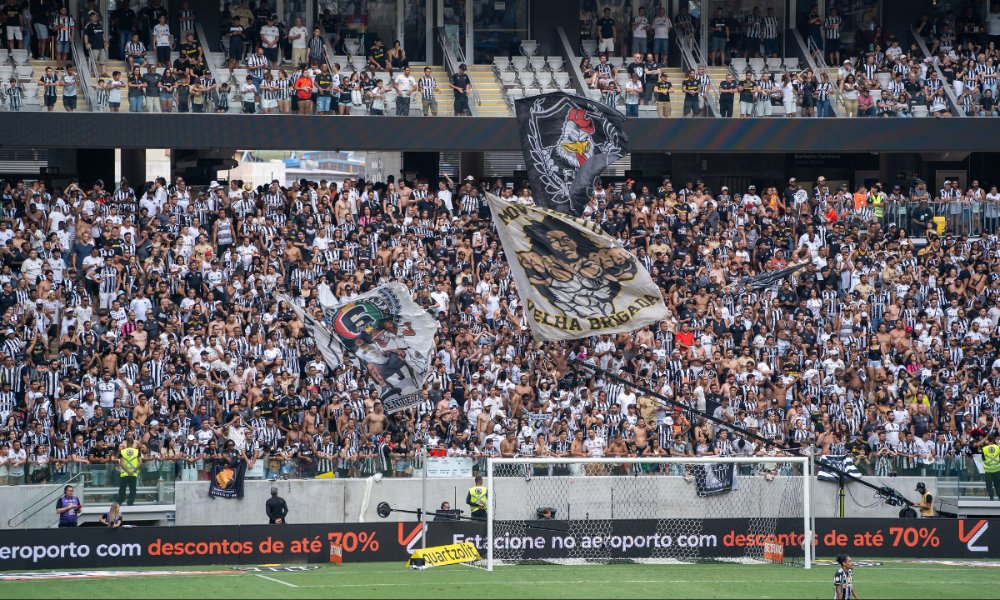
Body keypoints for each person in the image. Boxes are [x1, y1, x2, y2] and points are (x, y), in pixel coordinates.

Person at [118, 438, 141, 506]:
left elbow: (121, 463)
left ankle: (120, 502)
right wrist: (133, 471)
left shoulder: (122, 451)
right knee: (133, 489)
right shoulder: (137, 451)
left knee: (122, 489)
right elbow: (140, 463)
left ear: (126, 444)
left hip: (124, 474)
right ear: (133, 443)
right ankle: (130, 502)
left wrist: (127, 471)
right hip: (133, 474)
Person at [983, 433, 1000, 501]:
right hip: (997, 469)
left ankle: (991, 498)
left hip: (988, 470)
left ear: (987, 440)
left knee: (989, 485)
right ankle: (999, 497)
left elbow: (983, 458)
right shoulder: (998, 447)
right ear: (994, 439)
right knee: (998, 485)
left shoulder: (984, 448)